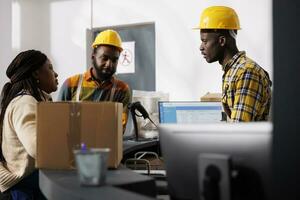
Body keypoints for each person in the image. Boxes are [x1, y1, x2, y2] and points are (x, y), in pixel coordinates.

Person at [196, 6, 272, 122]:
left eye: (205, 41)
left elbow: (239, 130)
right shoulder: (232, 71)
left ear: (222, 41)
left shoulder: (246, 72)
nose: (201, 47)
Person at [0, 50, 58, 199]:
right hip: (23, 186)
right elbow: (39, 147)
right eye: (50, 68)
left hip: (31, 181)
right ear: (36, 74)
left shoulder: (35, 101)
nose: (56, 74)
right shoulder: (25, 102)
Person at [58, 29, 131, 131]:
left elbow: (119, 129)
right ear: (93, 57)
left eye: (114, 60)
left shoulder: (122, 90)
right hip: (73, 145)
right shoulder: (71, 84)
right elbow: (58, 121)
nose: (109, 64)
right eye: (104, 58)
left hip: (107, 145)